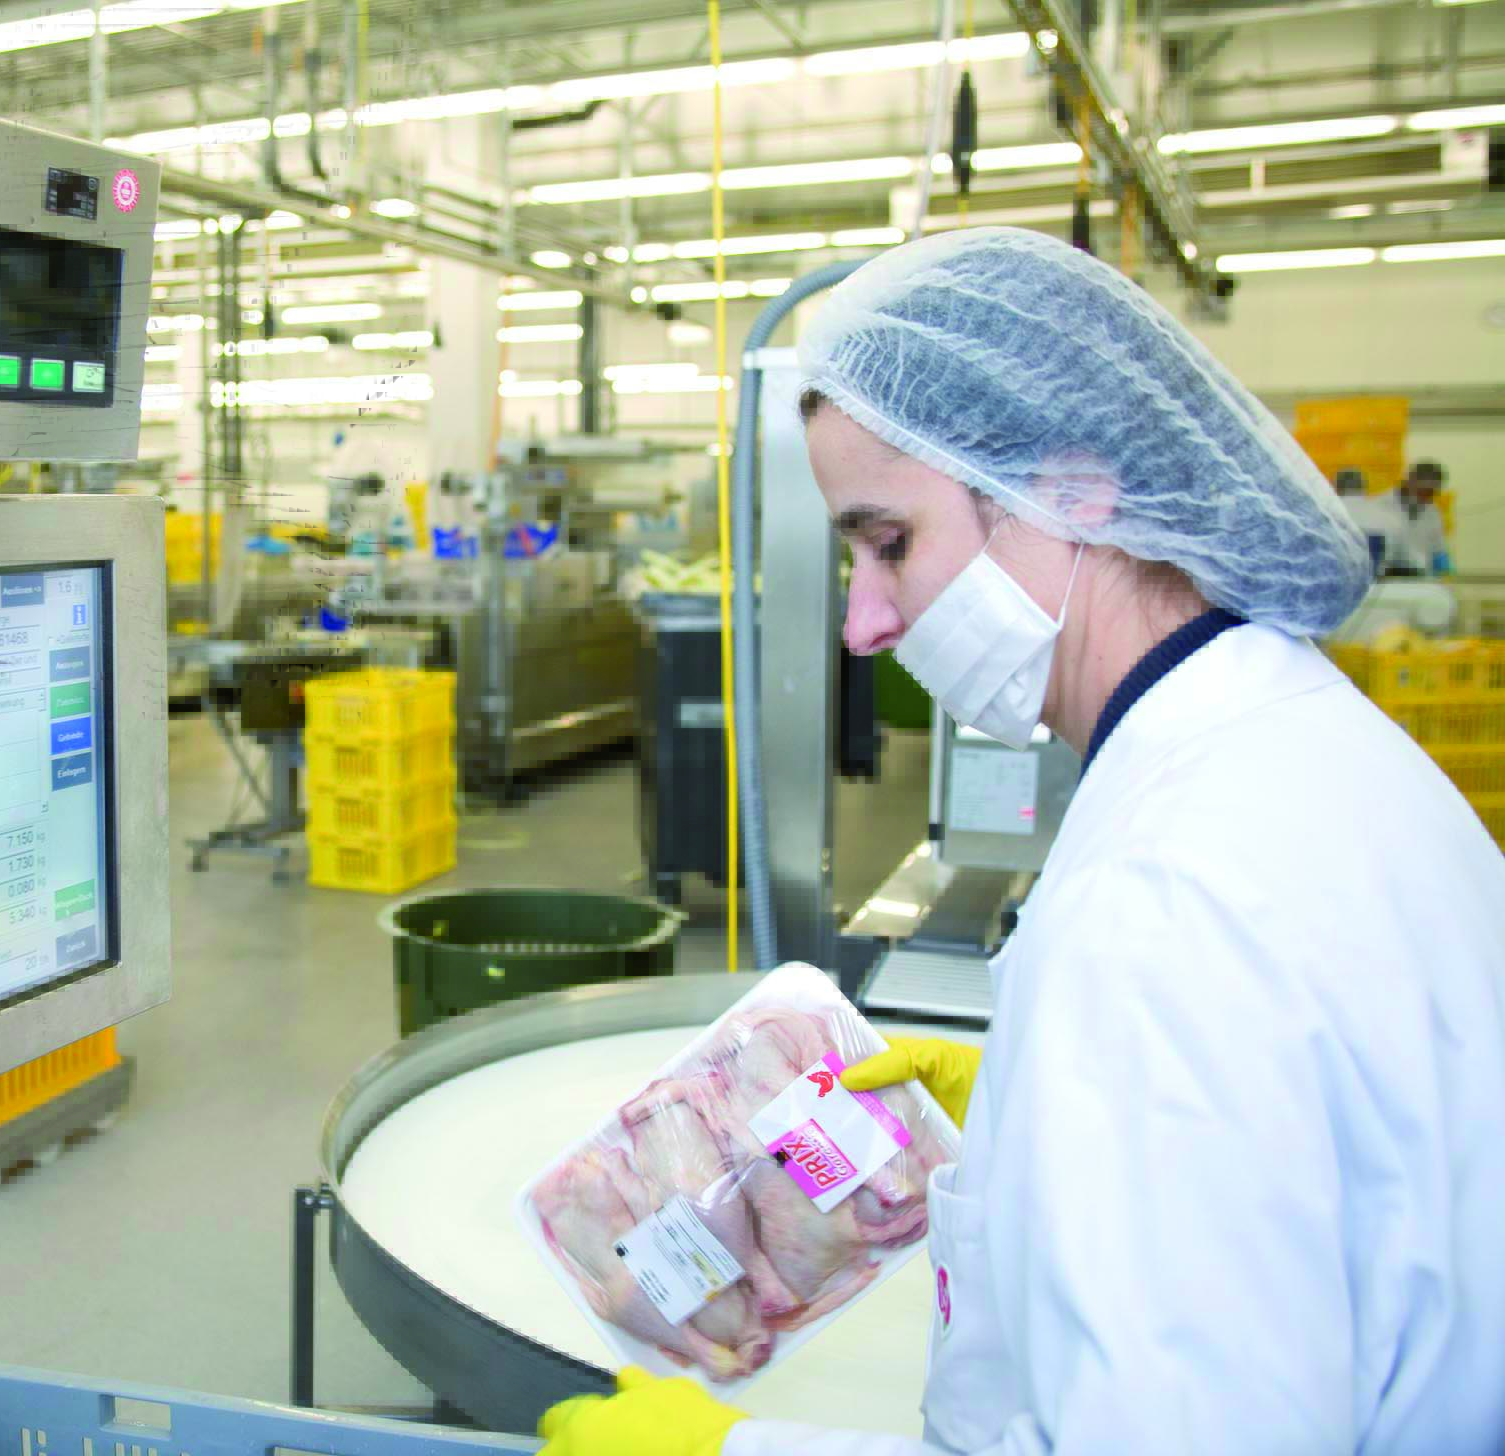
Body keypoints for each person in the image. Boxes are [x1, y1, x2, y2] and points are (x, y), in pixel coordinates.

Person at [537, 228, 1505, 1455]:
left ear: (1075, 491)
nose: (865, 623)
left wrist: (733, 1454)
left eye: (888, 542)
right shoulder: (1307, 745)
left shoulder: (1165, 902)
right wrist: (1038, 1118)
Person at [1384, 461, 1453, 577]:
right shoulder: (1382, 506)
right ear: (1410, 483)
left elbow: (1438, 548)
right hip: (1388, 581)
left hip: (1422, 579)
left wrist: (1444, 567)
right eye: (1423, 492)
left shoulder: (1432, 511)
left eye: (1431, 494)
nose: (1426, 498)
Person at [1332, 467, 1397, 579]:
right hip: (1377, 583)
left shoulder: (1327, 513)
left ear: (1336, 487)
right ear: (1364, 488)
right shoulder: (1386, 516)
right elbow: (1393, 557)